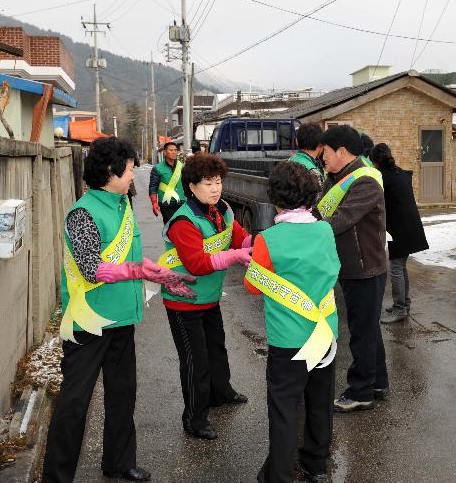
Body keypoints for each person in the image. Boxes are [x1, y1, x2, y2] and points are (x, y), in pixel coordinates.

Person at [43, 137, 196, 483]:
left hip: (122, 317)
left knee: (123, 393)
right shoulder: (83, 212)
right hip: (89, 322)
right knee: (74, 403)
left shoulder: (121, 204)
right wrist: (138, 271)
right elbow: (91, 268)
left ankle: (119, 461)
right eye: (128, 169)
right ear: (110, 171)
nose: (132, 176)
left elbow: (125, 256)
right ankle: (56, 476)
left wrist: (156, 271)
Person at [243, 161, 340, 483]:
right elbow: (333, 269)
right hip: (323, 332)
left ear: (276, 199)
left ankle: (280, 474)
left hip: (288, 338)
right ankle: (316, 465)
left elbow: (253, 285)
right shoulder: (325, 229)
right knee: (319, 402)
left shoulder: (267, 239)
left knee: (285, 409)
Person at [158, 152, 252, 440]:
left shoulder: (221, 209)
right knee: (195, 360)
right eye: (208, 183)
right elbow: (197, 263)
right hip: (183, 300)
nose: (216, 188)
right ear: (192, 187)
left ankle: (220, 393)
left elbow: (238, 236)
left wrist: (257, 245)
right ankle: (194, 419)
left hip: (208, 296)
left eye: (218, 181)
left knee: (217, 349)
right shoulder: (183, 221)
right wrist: (236, 255)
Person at [312, 125, 388, 413]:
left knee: (361, 332)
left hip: (365, 267)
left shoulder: (364, 181)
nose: (323, 159)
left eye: (326, 153)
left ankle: (361, 391)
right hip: (352, 266)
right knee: (368, 329)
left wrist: (306, 231)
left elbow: (341, 220)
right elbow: (321, 209)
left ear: (341, 151)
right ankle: (377, 383)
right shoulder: (338, 177)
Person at [369, 144, 429, 324]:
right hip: (409, 227)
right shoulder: (399, 173)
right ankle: (404, 304)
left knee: (396, 268)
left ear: (375, 162)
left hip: (401, 229)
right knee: (400, 268)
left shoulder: (383, 178)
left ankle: (400, 308)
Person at [149, 141, 185, 225]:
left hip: (181, 201)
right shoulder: (157, 168)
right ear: (165, 152)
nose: (174, 152)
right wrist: (154, 203)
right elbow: (153, 187)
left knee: (182, 227)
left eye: (175, 150)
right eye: (171, 150)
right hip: (166, 203)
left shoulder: (182, 166)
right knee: (170, 227)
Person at [288, 122, 324, 187]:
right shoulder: (313, 172)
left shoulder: (289, 161)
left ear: (297, 142)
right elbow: (320, 196)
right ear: (320, 143)